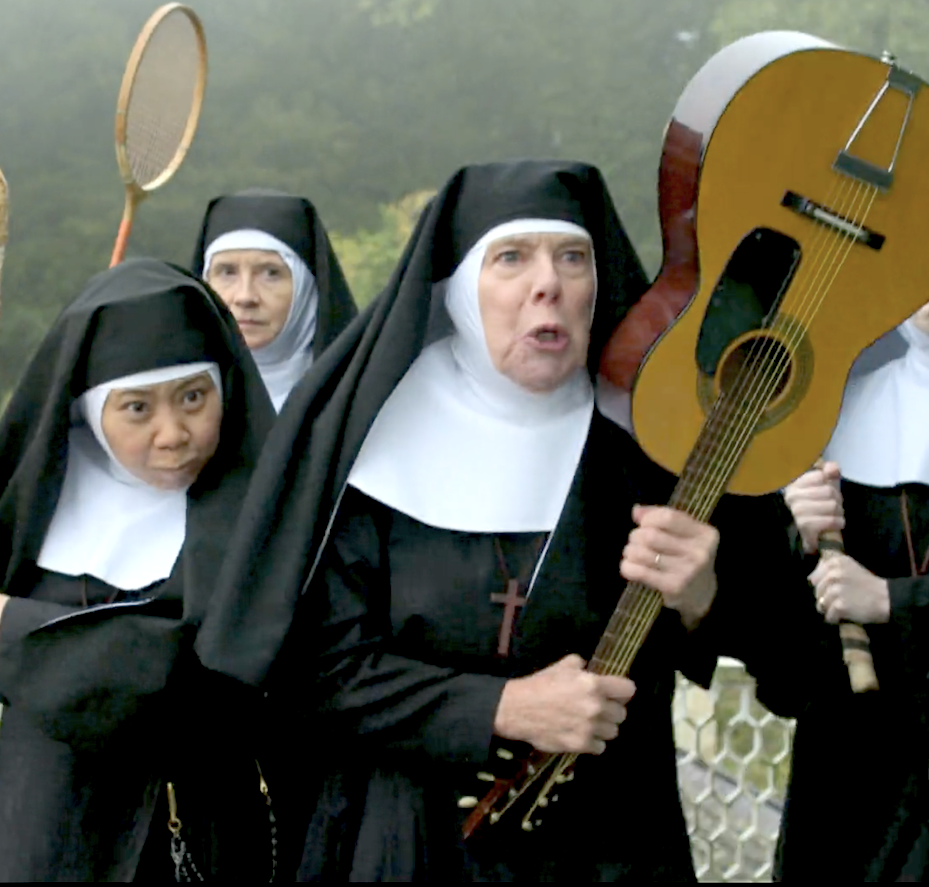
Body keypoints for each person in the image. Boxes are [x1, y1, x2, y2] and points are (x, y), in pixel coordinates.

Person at [193, 160, 816, 881]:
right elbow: (312, 671)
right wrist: (501, 706)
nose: (546, 283)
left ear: (597, 285)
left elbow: (799, 670)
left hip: (610, 842)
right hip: (401, 843)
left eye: (572, 257)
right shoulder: (373, 446)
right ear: (461, 290)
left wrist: (707, 596)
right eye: (511, 258)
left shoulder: (664, 450)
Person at [0, 258, 278, 881]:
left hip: (197, 826)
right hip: (44, 820)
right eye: (136, 408)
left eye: (192, 397)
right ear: (86, 412)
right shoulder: (41, 500)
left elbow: (168, 669)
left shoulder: (258, 510)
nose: (173, 433)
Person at [775, 301, 929, 881]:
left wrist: (894, 602)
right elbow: (784, 668)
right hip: (850, 784)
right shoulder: (843, 411)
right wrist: (800, 537)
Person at [191, 188, 357, 411]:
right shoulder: (178, 403)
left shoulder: (357, 401)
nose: (245, 297)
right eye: (227, 272)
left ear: (306, 289)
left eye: (271, 273)